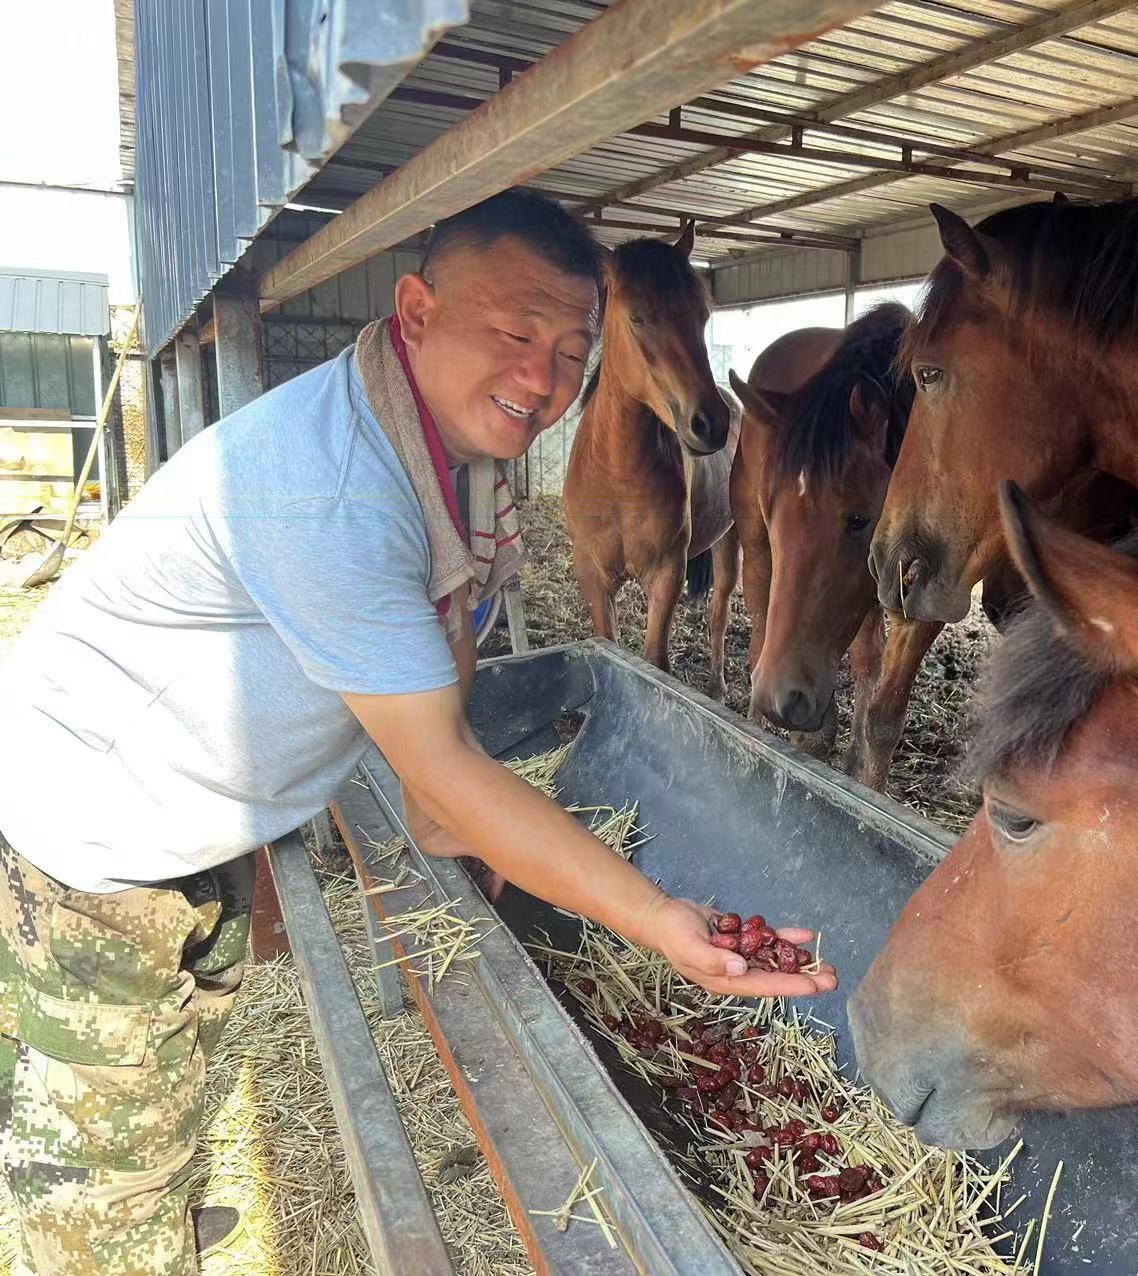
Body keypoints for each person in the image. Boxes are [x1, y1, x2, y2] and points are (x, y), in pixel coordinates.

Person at [0, 190, 835, 1276]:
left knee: (189, 1045)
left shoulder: (452, 452)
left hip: (196, 806)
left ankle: (154, 1199)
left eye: (574, 349)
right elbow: (437, 761)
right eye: (516, 333)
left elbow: (448, 653)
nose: (543, 377)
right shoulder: (332, 486)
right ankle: (106, 1232)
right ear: (415, 310)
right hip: (102, 828)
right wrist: (661, 919)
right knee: (101, 1147)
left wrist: (470, 829)